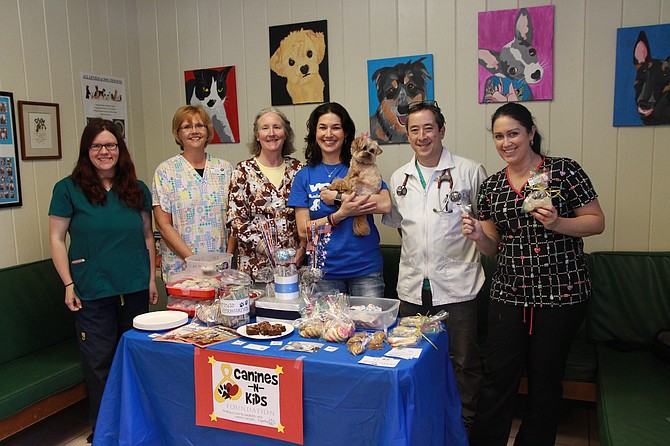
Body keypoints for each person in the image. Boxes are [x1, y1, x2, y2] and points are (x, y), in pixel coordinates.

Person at [464, 102, 605, 446]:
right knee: (498, 378)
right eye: (499, 136)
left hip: (561, 294)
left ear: (530, 133)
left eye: (513, 133)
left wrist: (558, 222)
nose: (506, 142)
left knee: (545, 380)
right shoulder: (493, 187)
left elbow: (596, 221)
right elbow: (492, 247)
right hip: (509, 295)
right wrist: (479, 236)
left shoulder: (563, 171)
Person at [48, 118, 158, 443]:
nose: (105, 151)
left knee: (137, 357)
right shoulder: (68, 189)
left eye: (111, 145)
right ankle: (106, 431)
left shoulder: (136, 188)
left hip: (135, 286)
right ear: (87, 150)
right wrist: (68, 283)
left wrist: (151, 279)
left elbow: (148, 238)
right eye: (97, 146)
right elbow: (57, 239)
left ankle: (137, 426)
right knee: (99, 364)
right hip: (91, 289)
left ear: (120, 149)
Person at [382, 100, 487, 429]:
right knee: (413, 359)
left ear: (442, 130)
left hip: (459, 289)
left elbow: (486, 225)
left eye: (429, 128)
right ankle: (423, 424)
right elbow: (403, 227)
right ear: (407, 134)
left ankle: (464, 427)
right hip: (413, 290)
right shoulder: (400, 177)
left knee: (464, 363)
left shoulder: (470, 171)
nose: (422, 135)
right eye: (414, 129)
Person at [287, 102, 391, 296]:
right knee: (328, 327)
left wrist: (338, 198)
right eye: (322, 127)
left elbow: (385, 204)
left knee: (370, 326)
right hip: (323, 273)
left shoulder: (361, 166)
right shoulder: (304, 176)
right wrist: (340, 214)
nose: (329, 134)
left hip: (365, 270)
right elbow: (303, 231)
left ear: (345, 134)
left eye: (336, 127)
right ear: (314, 134)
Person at [152, 105, 234, 282]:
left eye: (199, 125)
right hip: (181, 270)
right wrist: (196, 264)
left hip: (221, 268)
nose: (194, 131)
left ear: (208, 130)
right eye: (187, 127)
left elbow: (236, 220)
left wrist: (226, 258)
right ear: (178, 133)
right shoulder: (166, 172)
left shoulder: (225, 169)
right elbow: (163, 225)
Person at [227, 108, 303, 278]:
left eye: (277, 127)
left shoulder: (298, 170)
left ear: (285, 133)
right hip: (255, 270)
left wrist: (303, 247)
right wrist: (267, 249)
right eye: (265, 128)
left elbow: (307, 215)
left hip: (292, 268)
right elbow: (236, 220)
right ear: (257, 135)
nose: (271, 133)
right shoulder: (243, 171)